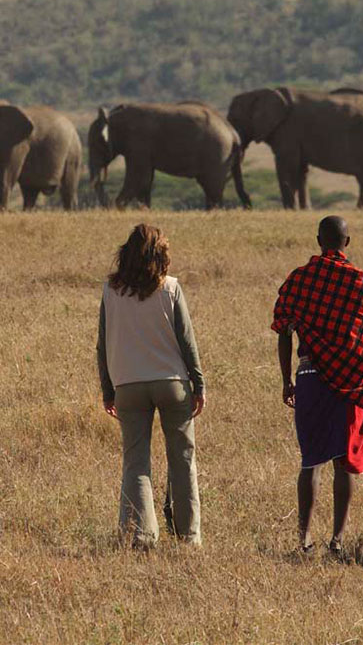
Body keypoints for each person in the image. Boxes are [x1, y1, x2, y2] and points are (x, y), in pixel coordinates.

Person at [271, 216, 363, 555]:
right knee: (343, 461)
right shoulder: (361, 283)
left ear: (318, 240)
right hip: (349, 383)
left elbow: (283, 331)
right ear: (346, 243)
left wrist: (287, 380)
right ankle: (337, 541)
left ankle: (304, 540)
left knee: (311, 460)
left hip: (309, 376)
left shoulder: (299, 279)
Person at [97, 223, 205, 549]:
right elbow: (187, 341)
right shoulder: (170, 287)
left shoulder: (111, 290)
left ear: (126, 253)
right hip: (172, 383)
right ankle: (188, 537)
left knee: (136, 462)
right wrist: (199, 383)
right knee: (182, 459)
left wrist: (108, 390)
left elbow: (102, 344)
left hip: (128, 384)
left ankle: (140, 536)